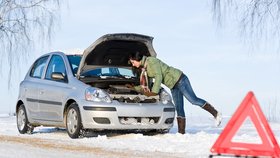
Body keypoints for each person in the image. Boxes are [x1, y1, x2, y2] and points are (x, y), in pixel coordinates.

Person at [127, 52, 222, 134]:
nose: (133, 65)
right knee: (179, 108)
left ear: (137, 59)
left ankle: (216, 114)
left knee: (193, 100)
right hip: (173, 86)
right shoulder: (145, 70)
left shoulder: (151, 61)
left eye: (133, 62)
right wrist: (134, 88)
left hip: (180, 79)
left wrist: (154, 92)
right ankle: (181, 133)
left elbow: (158, 76)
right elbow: (148, 85)